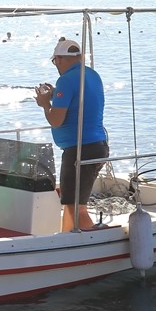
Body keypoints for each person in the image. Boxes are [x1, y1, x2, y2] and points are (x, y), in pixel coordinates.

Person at [35, 38, 109, 232]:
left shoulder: (66, 80)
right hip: (97, 145)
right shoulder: (92, 75)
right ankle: (67, 240)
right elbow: (80, 101)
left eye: (55, 61)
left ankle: (96, 244)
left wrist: (45, 104)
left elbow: (56, 120)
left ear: (60, 59)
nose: (56, 66)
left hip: (80, 149)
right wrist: (56, 94)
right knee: (71, 204)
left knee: (76, 207)